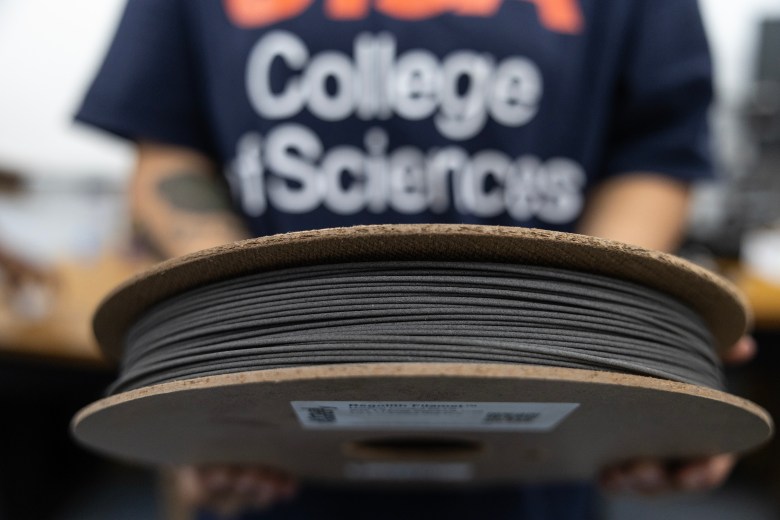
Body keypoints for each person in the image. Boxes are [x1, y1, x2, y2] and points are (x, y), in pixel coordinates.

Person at [75, 0, 756, 517]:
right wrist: (220, 353)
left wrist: (623, 350)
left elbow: (654, 155)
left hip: (541, 457)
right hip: (270, 454)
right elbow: (165, 142)